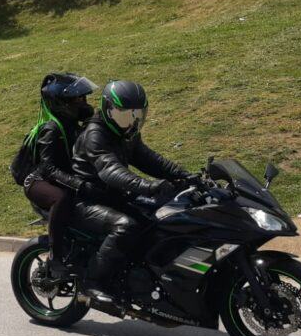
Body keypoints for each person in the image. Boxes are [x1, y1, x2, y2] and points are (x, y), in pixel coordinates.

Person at [71, 80, 192, 306]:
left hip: (114, 196)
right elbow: (110, 170)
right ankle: (93, 284)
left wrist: (185, 176)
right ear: (108, 110)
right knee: (125, 226)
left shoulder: (127, 133)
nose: (131, 122)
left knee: (162, 216)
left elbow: (149, 159)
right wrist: (146, 186)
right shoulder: (95, 134)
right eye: (125, 115)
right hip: (88, 199)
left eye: (136, 115)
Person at [22, 73, 105, 278]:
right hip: (38, 182)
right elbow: (47, 168)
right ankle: (55, 257)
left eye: (84, 98)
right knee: (62, 198)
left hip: (60, 178)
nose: (84, 103)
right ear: (60, 103)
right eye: (77, 99)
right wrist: (78, 185)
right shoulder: (51, 129)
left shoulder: (73, 125)